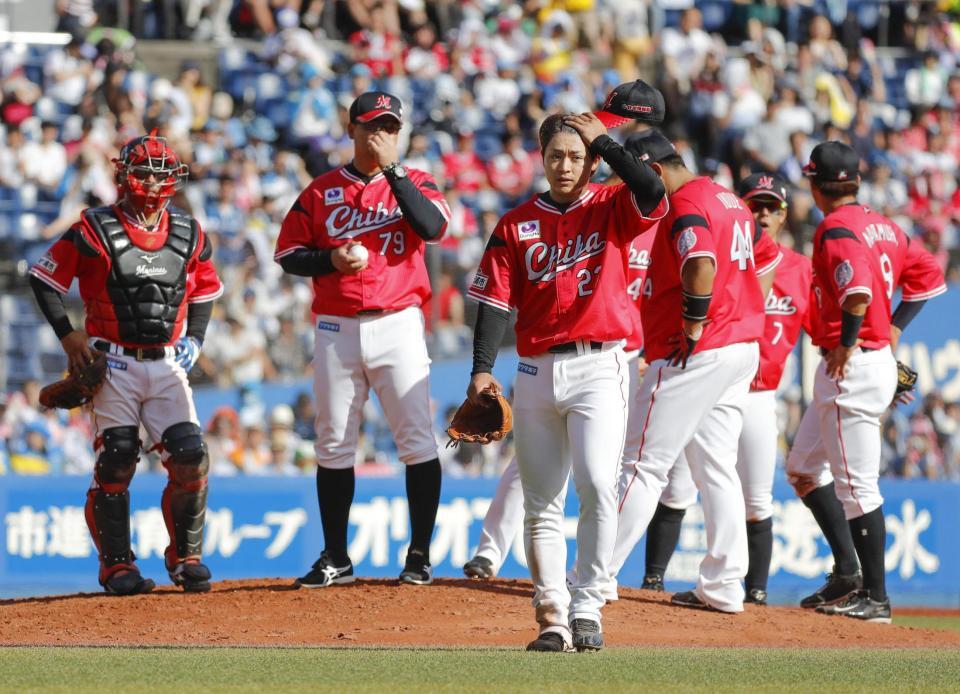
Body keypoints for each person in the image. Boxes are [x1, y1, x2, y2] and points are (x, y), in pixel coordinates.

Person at [465, 92, 668, 652]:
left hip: (600, 364)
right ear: (541, 157)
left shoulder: (610, 205)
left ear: (591, 161)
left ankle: (588, 604)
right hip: (533, 369)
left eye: (575, 156)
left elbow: (652, 189)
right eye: (556, 154)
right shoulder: (517, 223)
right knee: (541, 500)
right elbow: (494, 304)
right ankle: (552, 613)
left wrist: (601, 138)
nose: (564, 165)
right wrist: (482, 371)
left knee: (600, 484)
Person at [28, 132, 223, 595]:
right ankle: (117, 567)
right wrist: (69, 335)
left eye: (162, 173)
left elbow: (205, 291)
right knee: (116, 459)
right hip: (111, 361)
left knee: (191, 456)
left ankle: (186, 557)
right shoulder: (93, 227)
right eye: (144, 172)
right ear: (123, 174)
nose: (153, 182)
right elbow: (44, 278)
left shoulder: (190, 231)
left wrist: (195, 339)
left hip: (168, 361)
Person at [274, 91, 450, 588]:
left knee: (416, 438)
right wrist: (329, 261)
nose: (381, 136)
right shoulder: (323, 190)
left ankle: (419, 555)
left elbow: (433, 227)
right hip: (336, 326)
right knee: (333, 442)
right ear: (351, 130)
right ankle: (336, 556)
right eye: (373, 126)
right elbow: (287, 254)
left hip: (399, 321)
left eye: (390, 127)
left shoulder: (416, 181)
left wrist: (393, 171)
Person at [608, 129, 781, 615]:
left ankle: (592, 574)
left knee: (642, 465)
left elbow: (699, 263)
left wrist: (692, 322)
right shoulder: (727, 197)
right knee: (715, 469)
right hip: (741, 346)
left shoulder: (684, 201)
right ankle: (725, 584)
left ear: (656, 170)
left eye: (639, 179)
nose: (635, 191)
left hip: (697, 349)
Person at [785, 142, 946, 621]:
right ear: (853, 181)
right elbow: (929, 274)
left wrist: (848, 342)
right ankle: (848, 573)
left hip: (850, 365)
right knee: (803, 469)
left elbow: (855, 295)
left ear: (816, 185)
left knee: (858, 489)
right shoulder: (883, 224)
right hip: (868, 358)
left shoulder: (836, 226)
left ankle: (876, 598)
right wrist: (893, 327)